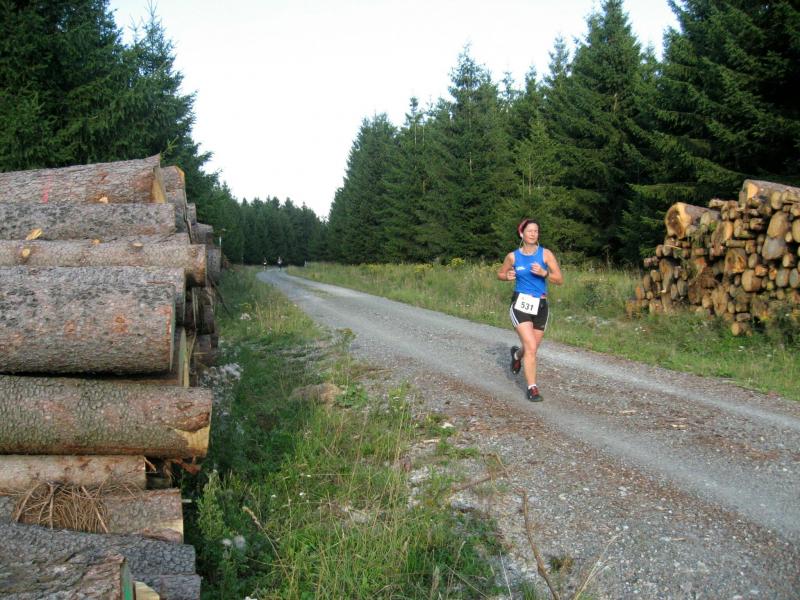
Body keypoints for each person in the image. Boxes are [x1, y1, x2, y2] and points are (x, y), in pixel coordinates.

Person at [497, 218, 563, 402]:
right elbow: (500, 274)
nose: (533, 234)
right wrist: (507, 276)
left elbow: (559, 279)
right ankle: (532, 388)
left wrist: (545, 273)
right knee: (531, 348)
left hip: (541, 306)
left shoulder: (545, 254)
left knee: (530, 348)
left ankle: (516, 355)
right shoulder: (513, 256)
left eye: (536, 231)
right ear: (521, 233)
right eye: (530, 231)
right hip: (520, 305)